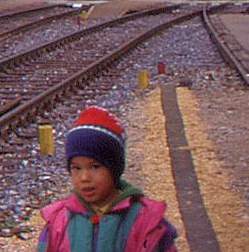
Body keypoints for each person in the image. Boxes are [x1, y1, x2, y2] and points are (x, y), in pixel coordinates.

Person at [36, 105, 178, 252]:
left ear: (113, 169)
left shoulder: (146, 221)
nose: (84, 177)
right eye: (76, 168)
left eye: (95, 167)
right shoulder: (59, 222)